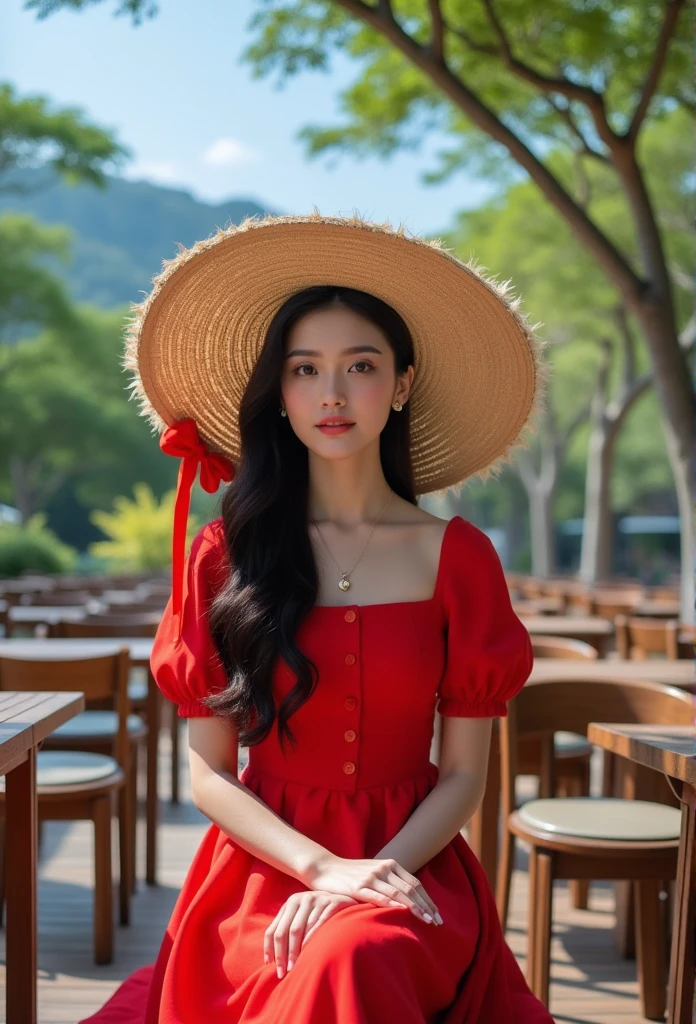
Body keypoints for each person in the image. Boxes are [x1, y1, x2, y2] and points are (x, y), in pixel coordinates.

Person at [81, 212, 552, 1024]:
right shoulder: (226, 553)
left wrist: (368, 874)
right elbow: (208, 772)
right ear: (282, 393)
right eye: (305, 369)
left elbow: (466, 774)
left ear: (400, 385)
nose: (331, 393)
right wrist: (318, 868)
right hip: (264, 868)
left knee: (356, 955)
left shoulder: (460, 556)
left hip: (411, 867)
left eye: (359, 366)